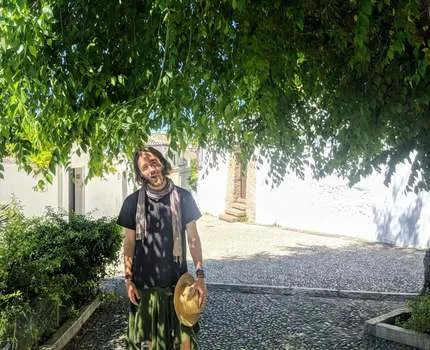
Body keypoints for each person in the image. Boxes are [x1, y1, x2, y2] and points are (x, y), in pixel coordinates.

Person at [117, 146, 206, 350]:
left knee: (184, 344)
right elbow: (129, 243)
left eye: (154, 162)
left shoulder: (183, 198)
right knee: (146, 344)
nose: (152, 169)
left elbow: (193, 238)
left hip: (178, 289)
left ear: (162, 162)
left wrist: (200, 276)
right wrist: (128, 279)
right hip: (144, 289)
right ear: (141, 173)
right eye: (145, 167)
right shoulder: (132, 203)